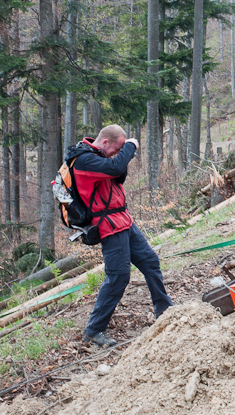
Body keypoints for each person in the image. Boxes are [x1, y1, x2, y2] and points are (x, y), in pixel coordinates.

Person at [66, 124, 173, 348]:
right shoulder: (84, 160)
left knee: (150, 261)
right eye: (116, 148)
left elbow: (117, 174)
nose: (117, 153)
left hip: (124, 221)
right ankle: (94, 331)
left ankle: (165, 311)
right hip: (108, 226)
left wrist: (122, 154)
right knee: (118, 277)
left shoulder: (98, 157)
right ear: (105, 142)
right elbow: (115, 168)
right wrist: (131, 146)